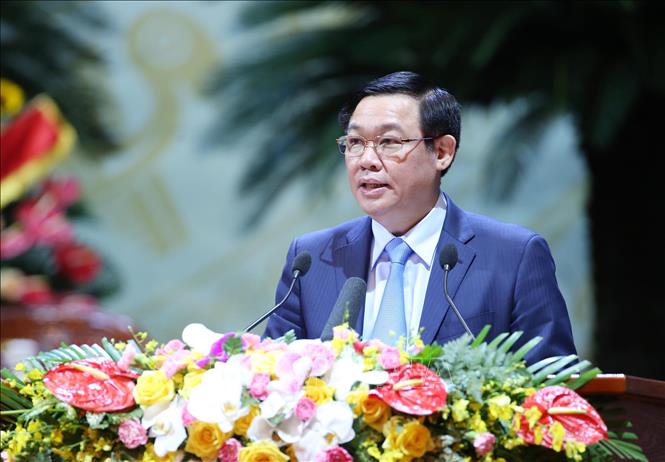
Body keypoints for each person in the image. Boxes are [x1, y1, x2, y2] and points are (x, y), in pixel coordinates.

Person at [264, 71, 576, 363]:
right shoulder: (312, 260)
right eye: (355, 143)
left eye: (389, 142)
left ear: (442, 152)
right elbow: (272, 377)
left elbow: (555, 387)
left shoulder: (513, 256)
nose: (367, 160)